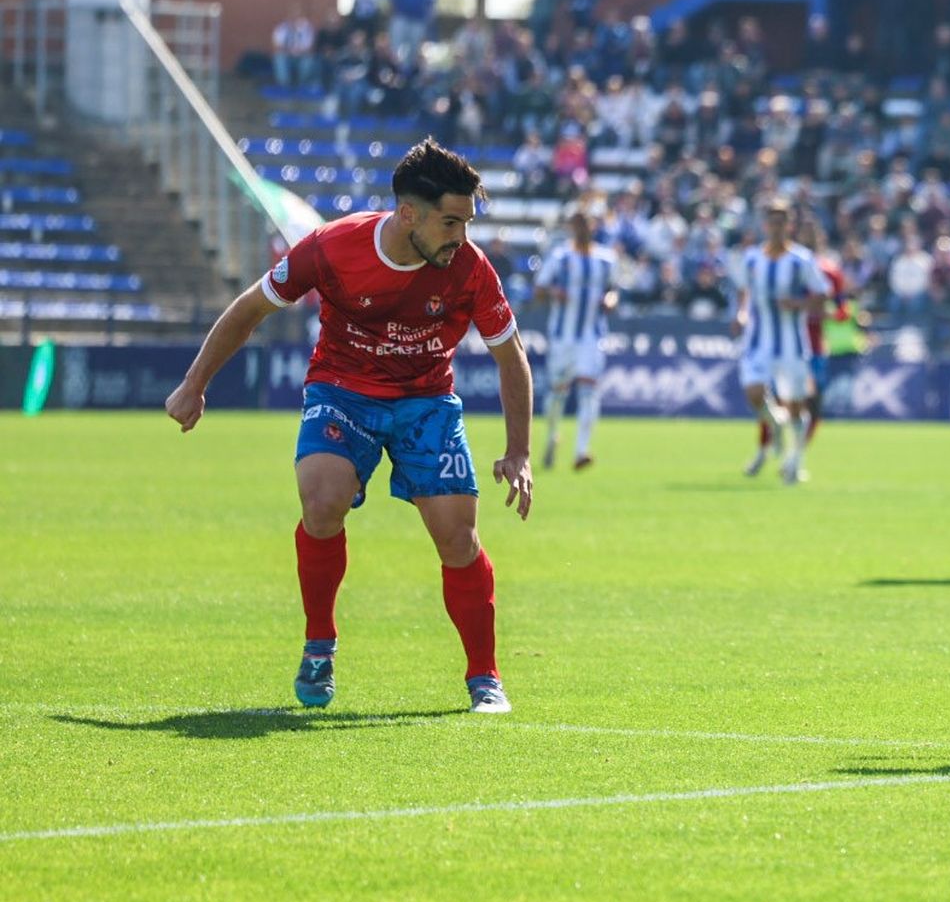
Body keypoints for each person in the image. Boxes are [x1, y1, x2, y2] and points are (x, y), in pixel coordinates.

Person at [163, 139, 532, 714]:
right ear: (409, 213)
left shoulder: (470, 268)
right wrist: (194, 383)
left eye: (467, 223)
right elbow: (251, 308)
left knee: (458, 537)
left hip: (427, 401)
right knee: (322, 501)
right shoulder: (333, 247)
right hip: (342, 392)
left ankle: (484, 676)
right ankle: (319, 644)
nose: (461, 236)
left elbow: (511, 357)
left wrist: (519, 451)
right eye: (451, 222)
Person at [733, 200, 828, 485]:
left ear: (789, 225)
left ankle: (795, 461)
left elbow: (822, 294)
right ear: (765, 225)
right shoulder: (751, 259)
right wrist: (740, 314)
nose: (776, 227)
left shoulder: (801, 259)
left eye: (781, 221)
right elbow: (743, 292)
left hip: (792, 344)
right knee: (753, 391)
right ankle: (775, 424)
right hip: (758, 341)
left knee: (798, 406)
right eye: (771, 221)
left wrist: (799, 304)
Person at [535, 204, 619, 472]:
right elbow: (539, 288)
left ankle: (581, 450)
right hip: (563, 336)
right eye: (578, 222)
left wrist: (610, 300)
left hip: (591, 337)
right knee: (557, 394)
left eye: (587, 222)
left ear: (593, 226)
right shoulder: (560, 257)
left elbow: (614, 289)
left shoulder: (605, 259)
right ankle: (551, 437)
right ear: (572, 226)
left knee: (588, 391)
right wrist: (554, 293)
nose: (583, 227)